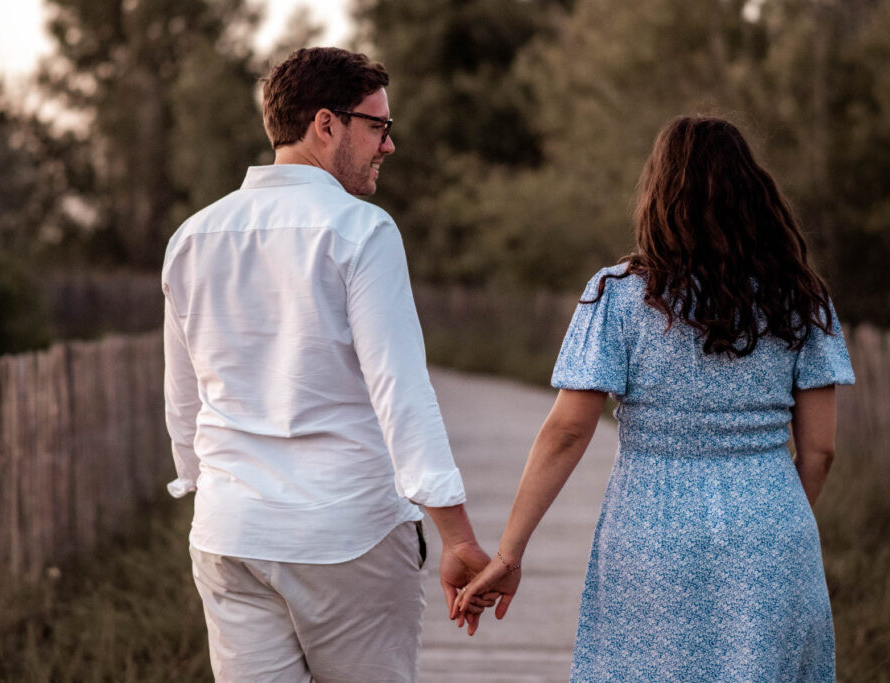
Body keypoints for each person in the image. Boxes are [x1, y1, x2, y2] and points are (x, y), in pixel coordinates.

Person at [454, 116, 854, 681]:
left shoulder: (618, 294)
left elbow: (568, 431)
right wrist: (774, 522)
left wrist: (509, 553)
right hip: (773, 528)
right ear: (755, 193)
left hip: (650, 533)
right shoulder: (802, 298)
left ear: (658, 195)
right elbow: (821, 451)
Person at [161, 47, 491, 683]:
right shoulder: (360, 230)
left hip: (231, 535)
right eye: (378, 126)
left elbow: (184, 399)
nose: (388, 146)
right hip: (349, 535)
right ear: (326, 124)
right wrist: (456, 537)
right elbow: (401, 392)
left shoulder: (193, 237)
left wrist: (209, 488)